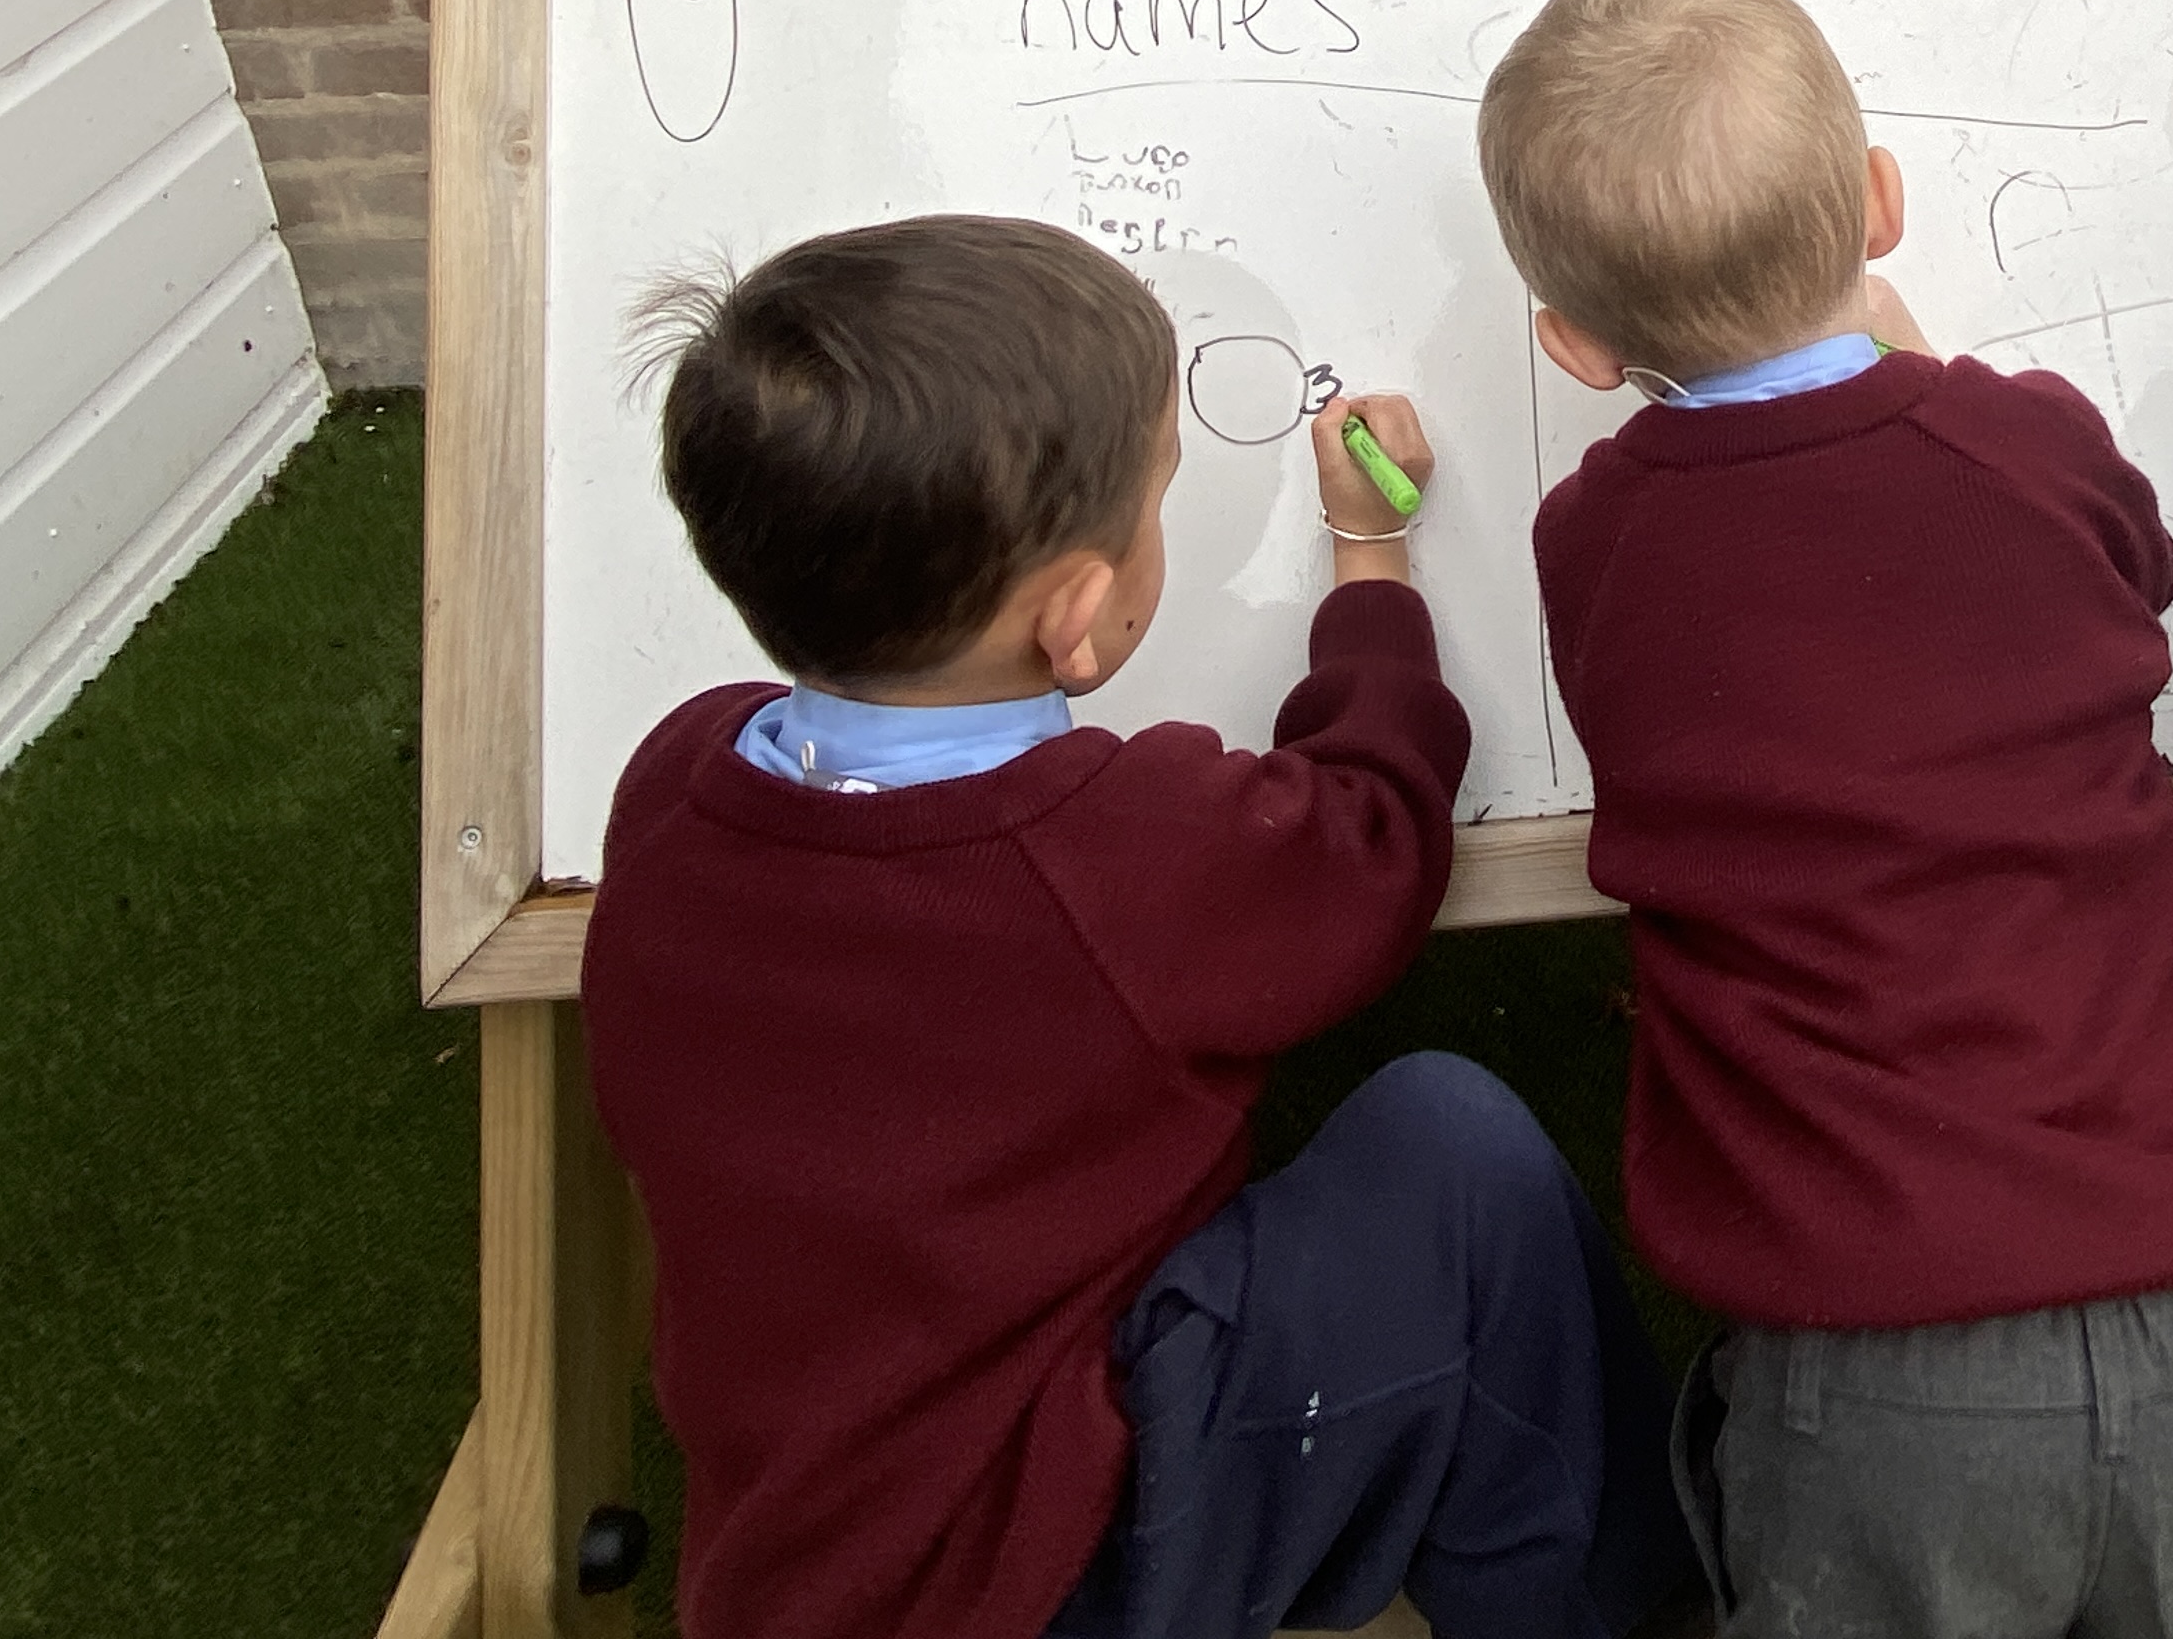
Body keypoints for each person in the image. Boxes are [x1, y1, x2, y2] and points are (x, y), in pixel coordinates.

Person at [581, 213, 1694, 1639]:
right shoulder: (1118, 852)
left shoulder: (678, 780)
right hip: (1053, 1563)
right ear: (1083, 622)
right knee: (1452, 1157)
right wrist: (1369, 555)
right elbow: (1369, 835)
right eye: (1161, 495)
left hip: (802, 1554)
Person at [1479, 0, 2173, 1639]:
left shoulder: (1599, 536)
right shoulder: (2030, 442)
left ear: (1572, 349)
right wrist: (1926, 382)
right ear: (1881, 206)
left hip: (1866, 1367)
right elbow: (2130, 566)